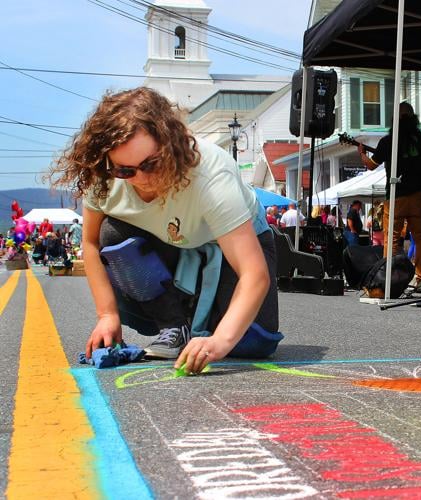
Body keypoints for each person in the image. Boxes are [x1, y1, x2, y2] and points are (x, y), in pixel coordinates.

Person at [49, 87, 279, 374]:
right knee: (112, 234)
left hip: (232, 242)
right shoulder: (103, 177)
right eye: (125, 170)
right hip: (173, 241)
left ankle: (204, 317)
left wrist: (220, 340)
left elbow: (253, 274)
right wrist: (107, 314)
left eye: (151, 164)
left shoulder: (209, 172)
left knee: (250, 343)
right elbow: (92, 243)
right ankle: (174, 323)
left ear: (171, 145)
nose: (142, 179)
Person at [359, 102, 421, 290]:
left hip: (396, 195)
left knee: (392, 239)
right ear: (414, 119)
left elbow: (372, 165)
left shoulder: (388, 141)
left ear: (394, 121)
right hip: (418, 196)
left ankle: (389, 279)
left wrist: (362, 154)